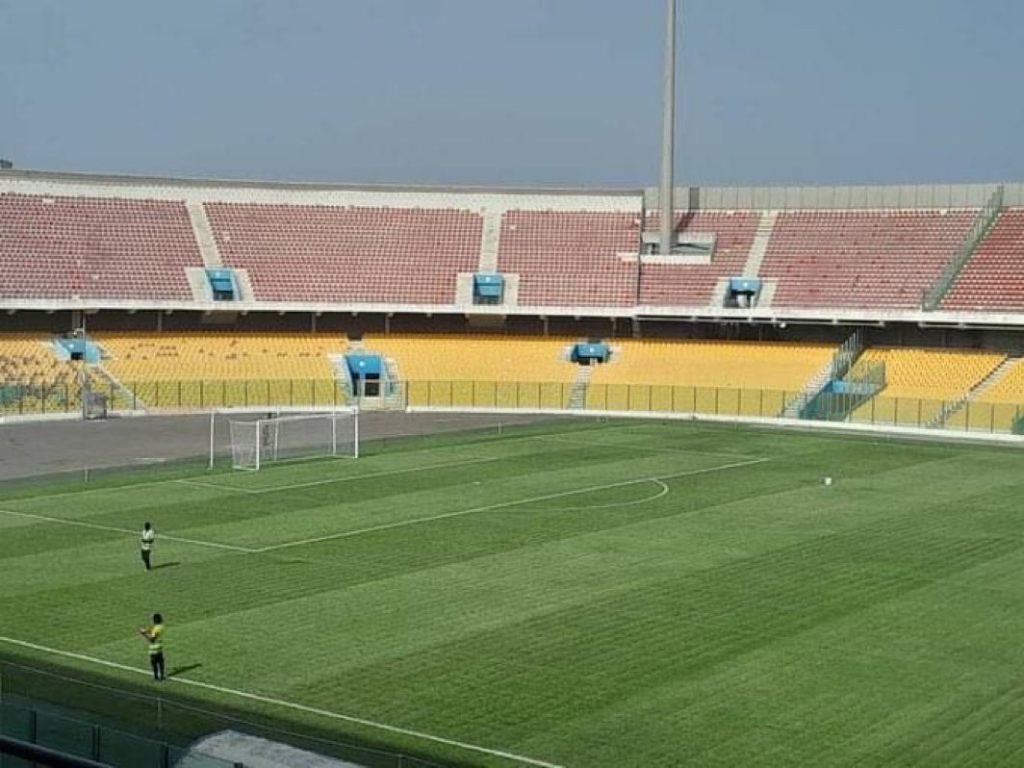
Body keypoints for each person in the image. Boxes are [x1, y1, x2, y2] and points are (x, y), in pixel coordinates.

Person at [139, 613, 165, 681]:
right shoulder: (160, 626)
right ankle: (161, 676)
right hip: (159, 647)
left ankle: (156, 677)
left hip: (154, 649)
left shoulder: (157, 628)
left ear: (155, 619)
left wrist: (144, 634)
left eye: (153, 619)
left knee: (154, 663)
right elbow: (152, 631)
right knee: (160, 662)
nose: (152, 620)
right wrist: (147, 631)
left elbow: (152, 640)